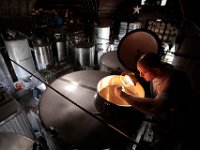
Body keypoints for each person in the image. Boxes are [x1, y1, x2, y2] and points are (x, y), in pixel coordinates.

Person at [116, 52, 192, 150]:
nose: (140, 74)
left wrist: (124, 95)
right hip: (163, 116)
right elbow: (149, 77)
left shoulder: (173, 82)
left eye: (143, 73)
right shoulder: (160, 70)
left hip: (176, 120)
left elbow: (156, 107)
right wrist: (136, 78)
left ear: (156, 70)